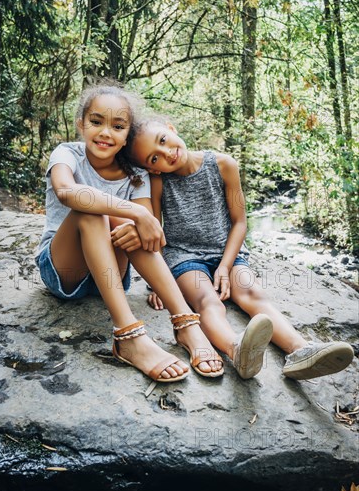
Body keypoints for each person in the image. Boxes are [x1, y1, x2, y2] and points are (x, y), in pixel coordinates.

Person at [120, 115, 355, 381]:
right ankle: (236, 350)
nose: (166, 153)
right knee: (206, 300)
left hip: (228, 253)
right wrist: (159, 284)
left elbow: (240, 222)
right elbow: (156, 231)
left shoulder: (223, 164)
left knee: (251, 293)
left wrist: (225, 265)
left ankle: (300, 351)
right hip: (185, 258)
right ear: (153, 170)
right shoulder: (160, 183)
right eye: (154, 158)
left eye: (163, 140)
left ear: (171, 129)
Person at [35, 82, 239, 383]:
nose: (105, 133)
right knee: (91, 210)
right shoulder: (68, 154)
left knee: (136, 229)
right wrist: (135, 212)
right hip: (64, 268)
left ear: (127, 134)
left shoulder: (136, 174)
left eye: (117, 126)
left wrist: (139, 221)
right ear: (81, 124)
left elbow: (148, 233)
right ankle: (127, 335)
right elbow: (66, 192)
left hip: (109, 274)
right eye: (96, 122)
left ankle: (186, 324)